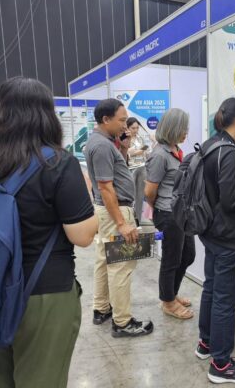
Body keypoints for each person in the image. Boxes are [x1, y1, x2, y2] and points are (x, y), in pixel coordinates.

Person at [0, 77, 97, 387]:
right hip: (44, 291)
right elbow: (83, 236)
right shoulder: (58, 163)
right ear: (47, 114)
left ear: (1, 111)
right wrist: (87, 198)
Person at [195, 98, 235, 384]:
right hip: (229, 237)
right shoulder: (229, 151)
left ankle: (206, 343)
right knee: (224, 300)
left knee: (211, 289)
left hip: (210, 232)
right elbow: (233, 200)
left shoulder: (210, 145)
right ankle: (220, 364)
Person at [84, 98, 153, 337]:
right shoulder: (102, 146)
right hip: (116, 211)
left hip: (109, 211)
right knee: (120, 266)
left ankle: (101, 308)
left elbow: (115, 173)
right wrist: (122, 223)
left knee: (104, 260)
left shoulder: (103, 142)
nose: (125, 126)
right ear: (106, 119)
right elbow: (105, 187)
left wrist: (123, 147)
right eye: (122, 120)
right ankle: (122, 322)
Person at [144, 108, 196, 320]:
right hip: (168, 213)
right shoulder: (159, 155)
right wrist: (160, 209)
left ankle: (171, 294)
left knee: (188, 255)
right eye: (183, 129)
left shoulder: (175, 150)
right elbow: (149, 192)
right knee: (171, 259)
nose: (186, 133)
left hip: (181, 212)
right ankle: (167, 301)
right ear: (172, 128)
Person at [127, 117, 149, 221]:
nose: (135, 130)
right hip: (129, 169)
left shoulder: (140, 138)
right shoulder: (123, 137)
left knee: (140, 196)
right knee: (130, 195)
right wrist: (137, 152)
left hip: (142, 167)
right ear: (127, 127)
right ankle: (129, 220)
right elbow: (126, 153)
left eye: (137, 128)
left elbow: (145, 150)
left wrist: (140, 151)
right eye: (133, 128)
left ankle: (138, 220)